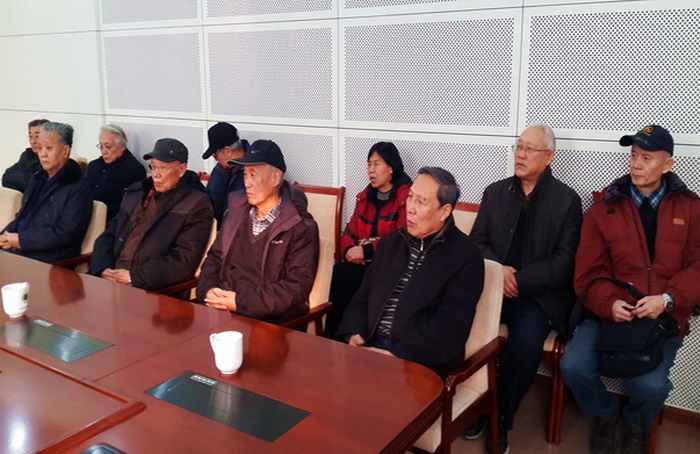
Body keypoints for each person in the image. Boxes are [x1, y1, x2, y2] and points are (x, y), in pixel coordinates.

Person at [560, 125, 699, 454]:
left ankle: (637, 425)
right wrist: (608, 304)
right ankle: (605, 415)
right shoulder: (602, 209)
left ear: (668, 164)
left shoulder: (692, 209)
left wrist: (667, 299)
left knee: (650, 387)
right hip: (610, 313)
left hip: (663, 317)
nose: (635, 164)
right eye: (633, 156)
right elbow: (588, 272)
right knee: (572, 367)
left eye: (646, 158)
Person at [467, 124, 582, 453]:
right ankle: (470, 401)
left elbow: (564, 262)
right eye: (518, 146)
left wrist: (520, 279)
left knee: (525, 344)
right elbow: (477, 243)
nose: (521, 154)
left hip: (537, 297)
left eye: (530, 149)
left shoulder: (567, 201)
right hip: (493, 288)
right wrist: (499, 271)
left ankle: (500, 415)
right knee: (459, 322)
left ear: (549, 157)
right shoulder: (495, 192)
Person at [337, 167, 484, 379]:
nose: (410, 208)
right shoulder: (390, 243)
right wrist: (354, 333)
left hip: (418, 362)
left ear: (444, 211)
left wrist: (397, 355)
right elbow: (363, 296)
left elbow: (450, 327)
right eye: (410, 198)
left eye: (421, 202)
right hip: (369, 347)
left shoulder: (466, 256)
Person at [196, 139, 319, 323]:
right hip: (222, 311)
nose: (247, 183)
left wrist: (239, 302)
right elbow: (214, 258)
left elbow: (295, 289)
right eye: (245, 175)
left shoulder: (300, 227)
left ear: (275, 178)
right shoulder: (235, 212)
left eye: (253, 175)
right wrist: (208, 290)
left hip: (268, 321)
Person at [89, 138, 214, 297]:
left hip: (151, 289)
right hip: (111, 279)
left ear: (182, 169)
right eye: (153, 167)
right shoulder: (135, 193)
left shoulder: (196, 205)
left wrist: (133, 277)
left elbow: (182, 262)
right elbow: (108, 236)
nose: (156, 174)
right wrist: (103, 269)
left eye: (163, 168)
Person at [325, 142, 412, 338]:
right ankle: (334, 337)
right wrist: (349, 250)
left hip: (388, 267)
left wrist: (366, 250)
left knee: (353, 279)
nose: (370, 170)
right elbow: (350, 231)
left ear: (391, 168)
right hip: (361, 264)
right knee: (339, 273)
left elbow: (403, 238)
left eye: (376, 164)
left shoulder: (406, 198)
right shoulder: (366, 197)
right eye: (369, 164)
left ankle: (352, 337)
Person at [0, 122, 92, 263]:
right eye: (40, 148)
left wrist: (20, 240)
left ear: (65, 151)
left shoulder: (78, 187)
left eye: (48, 148)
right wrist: (4, 237)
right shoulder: (37, 179)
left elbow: (65, 234)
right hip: (19, 251)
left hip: (48, 261)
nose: (42, 154)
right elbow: (21, 217)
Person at [85, 124, 146, 221]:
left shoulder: (134, 170)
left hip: (109, 221)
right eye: (101, 146)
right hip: (83, 215)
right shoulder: (94, 165)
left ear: (122, 146)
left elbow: (128, 208)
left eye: (108, 147)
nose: (103, 151)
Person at [202, 122, 247, 225]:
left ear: (227, 151)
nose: (216, 159)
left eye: (215, 155)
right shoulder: (220, 169)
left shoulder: (253, 170)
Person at [2, 118, 50, 192]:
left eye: (37, 136)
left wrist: (24, 179)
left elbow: (42, 185)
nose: (32, 141)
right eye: (30, 136)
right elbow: (7, 177)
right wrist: (31, 179)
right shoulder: (28, 155)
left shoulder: (53, 157)